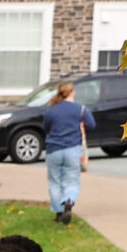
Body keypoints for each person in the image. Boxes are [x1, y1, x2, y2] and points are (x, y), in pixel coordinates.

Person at [41, 82, 95, 225]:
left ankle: (59, 213)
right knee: (71, 179)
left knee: (55, 181)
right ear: (72, 92)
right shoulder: (80, 109)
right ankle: (69, 201)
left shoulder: (51, 110)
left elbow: (46, 127)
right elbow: (91, 125)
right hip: (72, 149)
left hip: (53, 150)